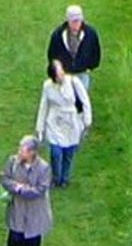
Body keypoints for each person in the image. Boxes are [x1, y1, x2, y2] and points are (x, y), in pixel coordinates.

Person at [36, 58, 92, 189]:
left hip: (71, 121)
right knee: (56, 152)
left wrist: (87, 120)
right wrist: (40, 128)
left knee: (69, 152)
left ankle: (65, 178)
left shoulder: (73, 82)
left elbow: (85, 101)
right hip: (54, 122)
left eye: (62, 72)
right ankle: (56, 177)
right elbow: (43, 106)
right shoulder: (47, 86)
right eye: (59, 74)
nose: (62, 76)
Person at [1, 136, 53, 246]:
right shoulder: (12, 162)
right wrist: (15, 186)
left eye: (22, 150)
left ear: (32, 153)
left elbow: (40, 190)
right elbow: (4, 178)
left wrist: (21, 189)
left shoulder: (44, 168)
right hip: (17, 214)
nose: (19, 153)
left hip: (34, 216)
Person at [47, 5, 102, 87]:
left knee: (81, 98)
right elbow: (52, 54)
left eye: (78, 21)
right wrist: (58, 68)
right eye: (73, 21)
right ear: (68, 20)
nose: (76, 24)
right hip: (64, 74)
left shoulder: (90, 34)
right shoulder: (58, 34)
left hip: (82, 73)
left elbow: (96, 52)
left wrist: (89, 67)